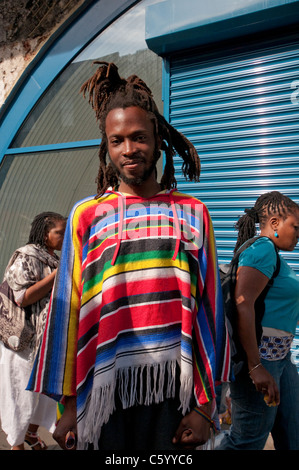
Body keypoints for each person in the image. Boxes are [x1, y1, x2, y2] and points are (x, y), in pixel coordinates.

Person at [28, 62, 230, 450]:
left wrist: (206, 408)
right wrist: (68, 406)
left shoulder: (193, 212)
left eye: (138, 137)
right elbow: (68, 309)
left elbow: (211, 310)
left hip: (178, 389)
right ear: (106, 146)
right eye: (117, 140)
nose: (129, 149)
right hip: (104, 389)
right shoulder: (86, 214)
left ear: (157, 139)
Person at [217, 191, 299, 450]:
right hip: (262, 360)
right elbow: (243, 305)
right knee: (247, 441)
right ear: (275, 223)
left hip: (280, 359)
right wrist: (255, 367)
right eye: (295, 226)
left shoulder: (271, 254)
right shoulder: (263, 249)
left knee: (292, 434)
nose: (298, 233)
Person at [0, 212, 66, 450]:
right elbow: (23, 298)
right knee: (20, 394)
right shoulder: (26, 256)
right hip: (24, 342)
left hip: (47, 340)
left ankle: (30, 433)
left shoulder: (55, 259)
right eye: (60, 232)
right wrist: (58, 276)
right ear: (44, 234)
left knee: (45, 394)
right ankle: (16, 444)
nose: (64, 236)